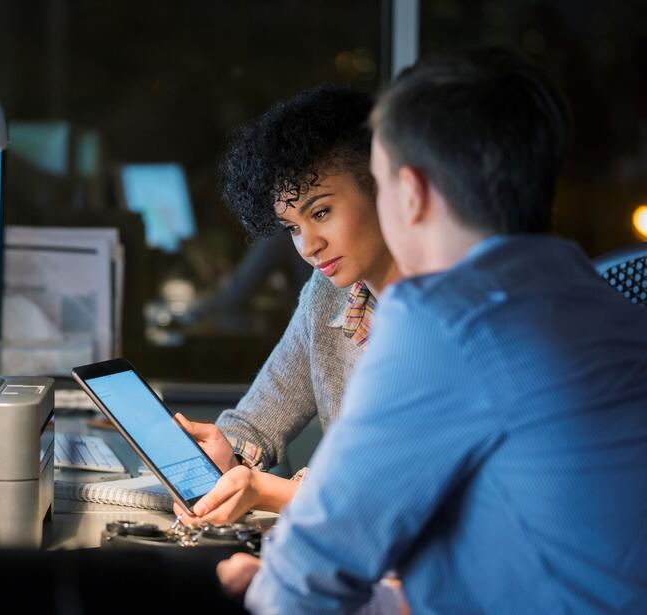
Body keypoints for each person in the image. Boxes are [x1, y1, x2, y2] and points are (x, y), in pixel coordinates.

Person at [223, 48, 647, 614]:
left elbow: (310, 574)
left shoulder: (447, 321)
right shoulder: (601, 302)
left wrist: (263, 588)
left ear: (410, 191)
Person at [172, 84, 400, 525]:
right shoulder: (328, 294)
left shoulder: (446, 318)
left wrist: (268, 491)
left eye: (320, 213)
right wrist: (229, 457)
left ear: (382, 187)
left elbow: (396, 492)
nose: (310, 247)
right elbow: (257, 421)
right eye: (292, 228)